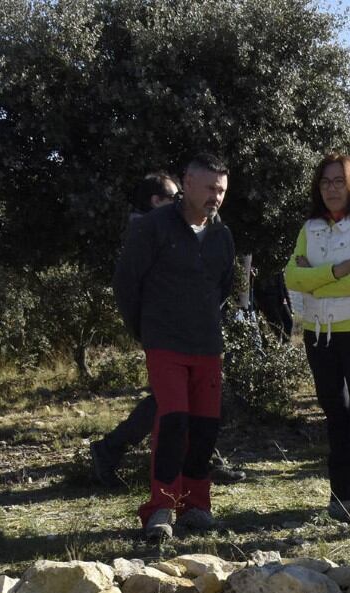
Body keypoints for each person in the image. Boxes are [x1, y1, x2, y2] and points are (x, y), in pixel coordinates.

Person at [113, 153, 237, 541]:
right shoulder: (152, 227)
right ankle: (161, 507)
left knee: (205, 426)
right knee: (173, 421)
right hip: (164, 342)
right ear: (187, 183)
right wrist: (147, 332)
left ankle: (196, 505)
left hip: (207, 344)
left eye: (221, 189)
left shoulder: (222, 235)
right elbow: (126, 285)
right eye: (208, 187)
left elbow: (223, 287)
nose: (215, 196)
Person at [285, 152, 350, 529]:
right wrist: (332, 272)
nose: (331, 188)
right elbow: (290, 278)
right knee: (335, 415)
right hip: (318, 333)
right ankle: (342, 495)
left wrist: (313, 278)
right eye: (325, 181)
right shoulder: (309, 228)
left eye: (338, 181)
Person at [90, 172, 178, 486]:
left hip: (173, 328)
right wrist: (144, 327)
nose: (180, 203)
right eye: (173, 196)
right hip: (162, 331)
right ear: (157, 201)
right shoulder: (146, 233)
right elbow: (126, 287)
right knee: (169, 399)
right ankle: (109, 449)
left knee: (183, 396)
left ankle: (199, 461)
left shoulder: (160, 229)